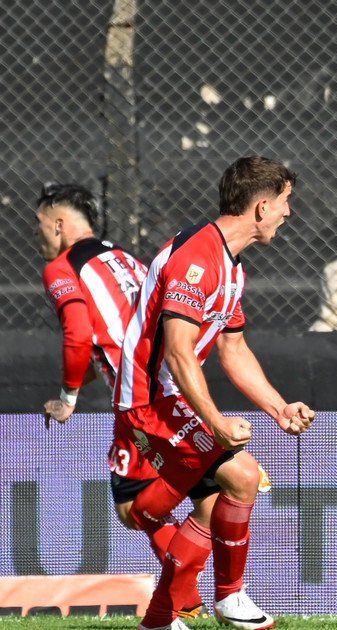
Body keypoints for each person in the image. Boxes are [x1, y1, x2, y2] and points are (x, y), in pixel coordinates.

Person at [115, 156, 316, 630]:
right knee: (241, 475)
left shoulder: (231, 265)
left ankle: (164, 618)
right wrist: (217, 424)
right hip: (150, 400)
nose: (289, 213)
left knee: (212, 503)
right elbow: (181, 354)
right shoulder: (197, 259)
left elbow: (234, 348)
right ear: (262, 207)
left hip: (169, 396)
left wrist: (278, 407)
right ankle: (224, 598)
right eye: (286, 203)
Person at [34, 182, 217, 620]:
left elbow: (78, 333)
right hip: (179, 385)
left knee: (137, 506)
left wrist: (68, 397)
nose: (36, 235)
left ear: (59, 224)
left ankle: (186, 602)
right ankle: (203, 599)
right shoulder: (127, 259)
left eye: (38, 225)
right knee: (200, 496)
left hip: (142, 397)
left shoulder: (62, 268)